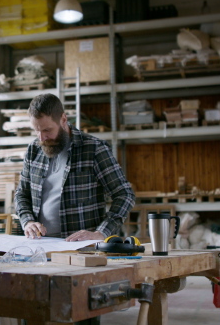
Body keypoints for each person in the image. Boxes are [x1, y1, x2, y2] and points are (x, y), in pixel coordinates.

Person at [15, 93, 135, 242]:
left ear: (63, 120)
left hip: (81, 248)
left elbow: (125, 195)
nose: (41, 137)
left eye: (47, 130)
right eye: (36, 130)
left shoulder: (94, 149)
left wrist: (101, 233)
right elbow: (21, 194)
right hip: (40, 245)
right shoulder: (34, 150)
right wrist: (28, 221)